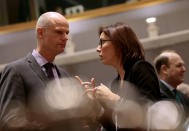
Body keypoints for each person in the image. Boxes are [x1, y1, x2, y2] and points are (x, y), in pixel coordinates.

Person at [0, 12, 94, 131]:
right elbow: (8, 122)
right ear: (40, 33)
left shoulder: (65, 75)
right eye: (59, 32)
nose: (65, 37)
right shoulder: (16, 70)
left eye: (67, 33)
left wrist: (86, 110)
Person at [92, 22, 161, 131]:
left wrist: (113, 99)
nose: (97, 48)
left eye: (102, 42)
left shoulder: (141, 68)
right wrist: (98, 109)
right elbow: (116, 127)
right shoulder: (116, 81)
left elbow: (150, 113)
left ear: (120, 44)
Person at [154, 50, 189, 130]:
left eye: (183, 65)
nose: (184, 69)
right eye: (179, 66)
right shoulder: (156, 95)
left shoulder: (182, 96)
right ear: (164, 69)